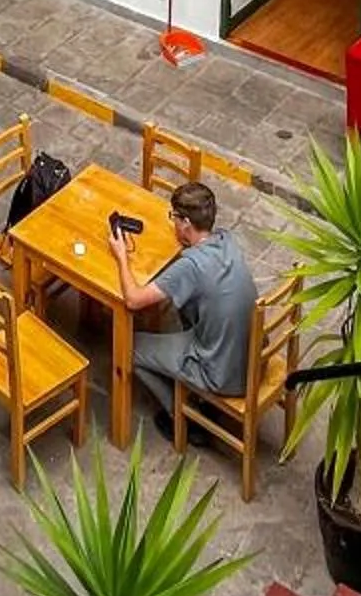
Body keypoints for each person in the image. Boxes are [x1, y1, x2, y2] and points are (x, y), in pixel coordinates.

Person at [109, 180, 257, 421]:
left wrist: (121, 257)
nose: (173, 223)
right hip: (249, 356)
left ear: (186, 223)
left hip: (221, 372)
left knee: (129, 347)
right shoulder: (225, 240)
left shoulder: (191, 267)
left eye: (174, 218)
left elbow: (133, 301)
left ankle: (181, 416)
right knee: (185, 305)